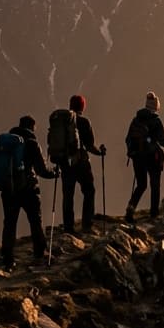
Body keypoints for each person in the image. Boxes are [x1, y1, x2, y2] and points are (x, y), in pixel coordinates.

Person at [0, 116, 59, 273]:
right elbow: (41, 170)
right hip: (28, 190)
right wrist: (55, 173)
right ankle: (39, 254)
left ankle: (8, 259)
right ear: (32, 126)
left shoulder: (7, 142)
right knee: (35, 221)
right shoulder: (32, 143)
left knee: (9, 223)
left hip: (8, 189)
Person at [124, 92, 164, 221]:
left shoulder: (136, 120)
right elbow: (163, 142)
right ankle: (154, 213)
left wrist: (132, 152)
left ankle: (130, 210)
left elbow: (128, 138)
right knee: (155, 185)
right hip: (152, 157)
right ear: (156, 106)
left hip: (137, 157)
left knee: (141, 185)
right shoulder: (156, 121)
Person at [58, 94, 106, 235]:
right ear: (82, 106)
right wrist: (100, 152)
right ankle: (87, 224)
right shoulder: (84, 122)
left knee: (68, 195)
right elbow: (90, 146)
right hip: (81, 163)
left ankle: (68, 227)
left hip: (65, 163)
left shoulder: (62, 122)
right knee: (89, 191)